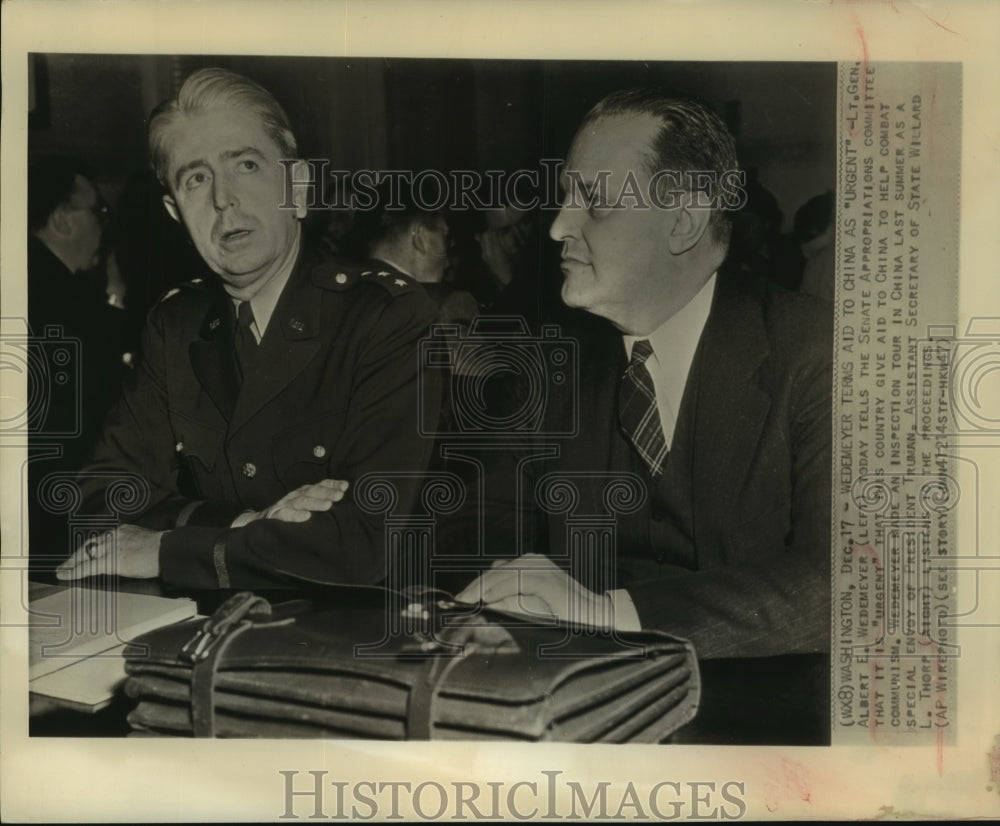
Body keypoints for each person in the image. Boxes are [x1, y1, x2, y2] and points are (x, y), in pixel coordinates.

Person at [452, 88, 832, 661]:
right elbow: (479, 530)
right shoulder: (546, 366)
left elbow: (854, 583)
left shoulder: (818, 352)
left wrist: (611, 614)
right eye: (563, 199)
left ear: (682, 221)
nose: (557, 227)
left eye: (595, 203)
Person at [56, 68, 439, 590]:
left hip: (347, 640)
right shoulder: (176, 325)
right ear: (175, 213)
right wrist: (244, 526)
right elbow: (95, 500)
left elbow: (358, 545)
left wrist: (167, 547)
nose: (223, 200)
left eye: (247, 164)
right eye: (196, 178)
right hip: (205, 630)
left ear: (298, 188)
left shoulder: (384, 317)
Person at [27, 157, 129, 570]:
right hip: (56, 512)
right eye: (98, 211)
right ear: (62, 221)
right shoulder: (65, 302)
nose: (104, 226)